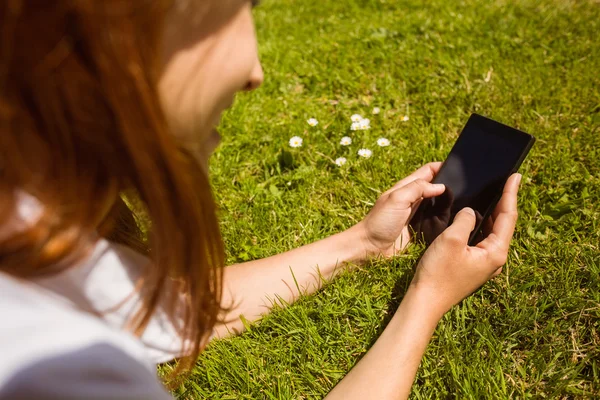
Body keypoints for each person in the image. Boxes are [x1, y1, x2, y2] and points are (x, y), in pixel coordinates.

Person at [0, 0, 521, 399]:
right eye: (240, 8)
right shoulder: (48, 365)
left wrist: (365, 241)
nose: (256, 73)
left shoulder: (26, 224)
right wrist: (427, 299)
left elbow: (168, 310)